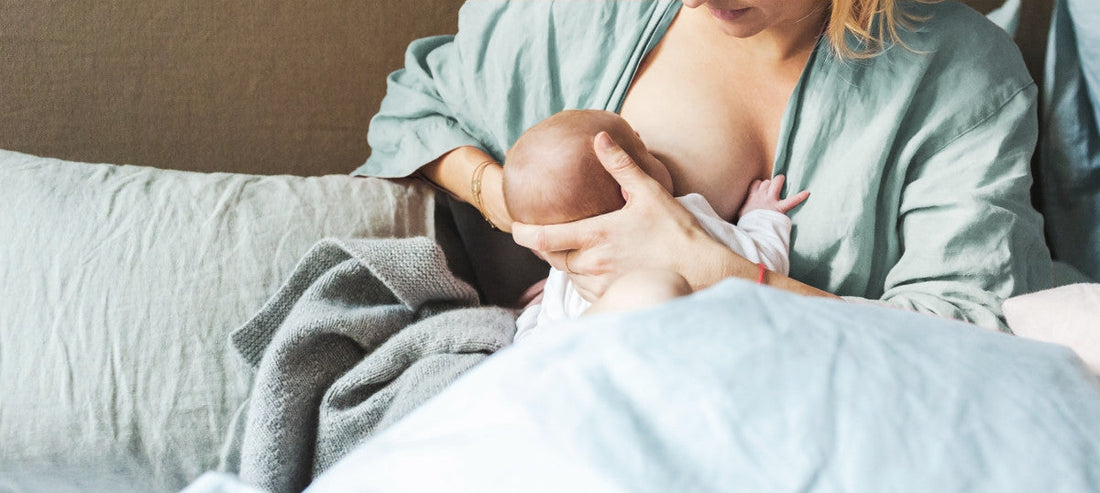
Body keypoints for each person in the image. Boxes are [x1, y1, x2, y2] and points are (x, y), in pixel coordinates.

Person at [354, 0, 1053, 330]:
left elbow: (970, 333)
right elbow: (417, 105)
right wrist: (522, 212)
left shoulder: (964, 81)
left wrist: (723, 270)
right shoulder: (594, 15)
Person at [504, 109, 808, 340]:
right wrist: (761, 216)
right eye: (644, 150)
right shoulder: (678, 222)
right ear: (631, 188)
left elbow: (538, 346)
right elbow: (764, 268)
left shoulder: (567, 276)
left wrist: (533, 313)